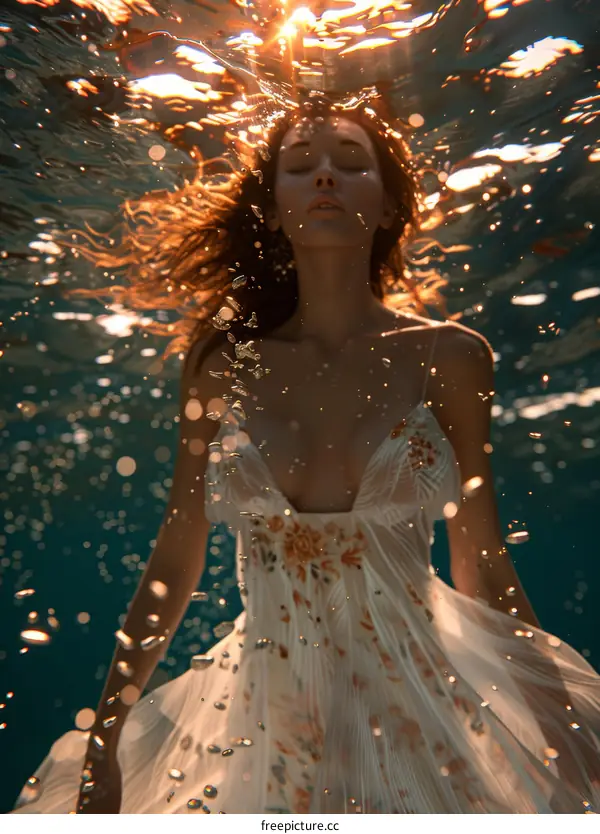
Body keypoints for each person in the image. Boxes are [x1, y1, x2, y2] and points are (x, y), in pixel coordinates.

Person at [12, 92, 600, 815]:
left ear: (387, 208)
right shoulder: (223, 363)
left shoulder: (451, 357)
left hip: (425, 711)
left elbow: (482, 562)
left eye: (351, 162)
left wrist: (557, 727)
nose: (325, 175)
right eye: (301, 165)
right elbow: (177, 555)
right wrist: (107, 734)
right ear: (271, 207)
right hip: (261, 721)